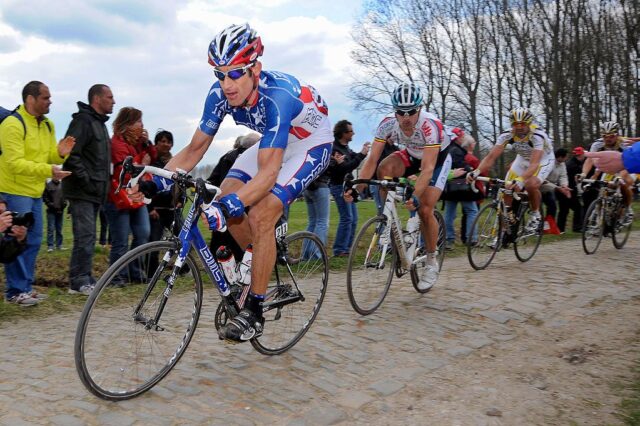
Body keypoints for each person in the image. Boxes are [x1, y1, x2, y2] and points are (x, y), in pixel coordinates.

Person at [132, 23, 333, 342]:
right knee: (223, 194)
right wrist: (155, 182)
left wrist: (232, 206)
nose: (227, 84)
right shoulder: (218, 95)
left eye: (236, 73)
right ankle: (255, 261)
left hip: (311, 144)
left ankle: (254, 311)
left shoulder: (277, 97)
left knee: (260, 213)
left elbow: (268, 174)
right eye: (220, 74)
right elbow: (195, 149)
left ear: (256, 69)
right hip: (274, 140)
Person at [351, 82, 451, 291]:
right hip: (411, 155)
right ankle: (389, 219)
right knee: (383, 168)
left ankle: (431, 261)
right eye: (401, 112)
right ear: (394, 111)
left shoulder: (430, 125)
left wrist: (416, 195)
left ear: (419, 109)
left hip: (436, 161)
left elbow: (427, 169)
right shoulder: (387, 124)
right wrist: (357, 188)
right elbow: (371, 160)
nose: (406, 118)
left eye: (411, 112)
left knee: (424, 208)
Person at [0, 81, 75, 305]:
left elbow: (47, 156)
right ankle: (15, 292)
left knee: (33, 240)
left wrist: (59, 154)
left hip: (34, 191)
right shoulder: (12, 124)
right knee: (16, 240)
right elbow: (14, 163)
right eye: (45, 97)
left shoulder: (48, 125)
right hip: (14, 190)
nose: (50, 101)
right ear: (30, 99)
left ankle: (26, 287)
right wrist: (49, 170)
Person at [63, 84, 115, 295]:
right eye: (110, 97)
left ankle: (85, 276)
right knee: (84, 237)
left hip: (94, 192)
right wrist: (87, 181)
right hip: (82, 191)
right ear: (97, 99)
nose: (113, 101)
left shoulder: (100, 124)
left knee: (89, 237)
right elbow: (71, 155)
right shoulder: (82, 122)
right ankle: (78, 281)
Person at [468, 107, 555, 233]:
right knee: (507, 189)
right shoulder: (506, 135)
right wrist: (476, 171)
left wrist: (521, 179)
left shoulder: (537, 136)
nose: (519, 127)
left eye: (522, 124)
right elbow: (491, 157)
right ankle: (504, 230)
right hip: (522, 158)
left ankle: (535, 214)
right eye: (515, 124)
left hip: (543, 159)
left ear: (529, 123)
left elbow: (534, 164)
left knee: (530, 184)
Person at [104, 107, 153, 286]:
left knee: (143, 233)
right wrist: (142, 165)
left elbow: (152, 157)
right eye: (138, 121)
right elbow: (124, 172)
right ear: (128, 124)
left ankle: (135, 271)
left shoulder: (136, 143)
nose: (142, 125)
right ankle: (118, 276)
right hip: (118, 197)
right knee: (121, 239)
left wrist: (147, 144)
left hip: (135, 195)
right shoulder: (116, 144)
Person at [207, 133, 261, 261]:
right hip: (242, 205)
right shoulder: (254, 158)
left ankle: (217, 267)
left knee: (219, 241)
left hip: (222, 204)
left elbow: (212, 180)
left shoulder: (226, 156)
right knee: (242, 245)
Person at [327, 120, 370, 257]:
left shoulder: (345, 148)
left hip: (347, 187)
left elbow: (353, 159)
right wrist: (362, 154)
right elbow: (346, 167)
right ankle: (339, 250)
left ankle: (347, 249)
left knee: (354, 218)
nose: (354, 133)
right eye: (351, 131)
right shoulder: (335, 149)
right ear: (343, 133)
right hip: (339, 186)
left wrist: (363, 152)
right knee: (347, 218)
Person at [579, 121, 634, 225]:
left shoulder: (625, 145)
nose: (608, 139)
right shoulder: (597, 144)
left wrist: (620, 177)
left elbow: (628, 164)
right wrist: (583, 174)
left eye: (611, 136)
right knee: (603, 185)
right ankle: (603, 212)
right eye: (605, 136)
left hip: (626, 166)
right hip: (609, 168)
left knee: (624, 183)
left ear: (617, 135)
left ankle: (628, 209)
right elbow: (590, 159)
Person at [441, 129, 479, 250]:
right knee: (472, 211)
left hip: (449, 187)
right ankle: (471, 238)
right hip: (462, 187)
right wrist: (470, 169)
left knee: (449, 213)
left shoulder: (448, 149)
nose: (463, 138)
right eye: (461, 136)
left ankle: (448, 239)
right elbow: (460, 165)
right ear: (457, 138)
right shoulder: (456, 150)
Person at [148, 129, 176, 243]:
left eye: (169, 142)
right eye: (163, 141)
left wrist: (180, 199)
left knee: (183, 238)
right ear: (156, 143)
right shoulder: (150, 161)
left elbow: (178, 182)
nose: (166, 144)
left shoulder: (174, 163)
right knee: (154, 243)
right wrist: (150, 208)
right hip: (155, 210)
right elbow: (146, 185)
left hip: (171, 210)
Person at [540, 148, 571, 232]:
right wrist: (557, 188)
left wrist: (564, 185)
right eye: (566, 157)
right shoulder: (548, 162)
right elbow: (543, 179)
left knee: (552, 207)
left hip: (549, 189)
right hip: (540, 186)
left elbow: (563, 176)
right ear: (560, 157)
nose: (567, 159)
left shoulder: (562, 164)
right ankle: (537, 227)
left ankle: (548, 227)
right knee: (538, 208)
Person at [559, 146, 585, 233]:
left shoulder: (573, 163)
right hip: (568, 190)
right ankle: (577, 227)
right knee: (577, 208)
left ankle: (560, 229)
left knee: (564, 210)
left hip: (566, 189)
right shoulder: (574, 165)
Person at [43, 178, 66, 251]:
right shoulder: (48, 185)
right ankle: (50, 246)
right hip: (51, 211)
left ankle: (59, 245)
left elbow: (65, 197)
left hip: (60, 211)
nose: (57, 178)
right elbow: (45, 197)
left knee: (59, 229)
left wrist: (64, 205)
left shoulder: (62, 185)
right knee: (51, 228)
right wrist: (50, 204)